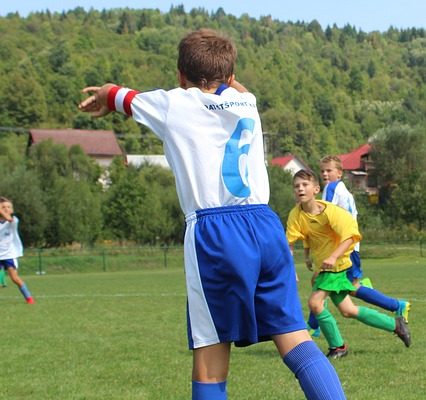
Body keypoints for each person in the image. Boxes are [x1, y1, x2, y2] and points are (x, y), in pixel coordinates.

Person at [79, 29, 347, 400]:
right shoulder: (246, 102)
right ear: (231, 77)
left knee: (210, 357)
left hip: (216, 233)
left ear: (179, 75)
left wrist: (106, 95)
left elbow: (122, 96)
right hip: (266, 227)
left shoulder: (174, 103)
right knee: (296, 340)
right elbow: (232, 88)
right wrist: (230, 80)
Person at [286, 169, 411, 359]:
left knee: (315, 302)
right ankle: (395, 325)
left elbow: (351, 236)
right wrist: (299, 262)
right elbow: (289, 243)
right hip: (325, 267)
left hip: (338, 265)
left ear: (316, 189)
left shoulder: (331, 212)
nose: (300, 189)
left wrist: (333, 257)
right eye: (296, 186)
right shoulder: (296, 215)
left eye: (305, 185)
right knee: (348, 310)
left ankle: (338, 347)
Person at [0, 197, 35, 304]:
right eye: (3, 207)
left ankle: (29, 299)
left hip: (9, 255)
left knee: (15, 278)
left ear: (12, 210)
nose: (6, 209)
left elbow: (8, 218)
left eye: (8, 207)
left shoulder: (14, 220)